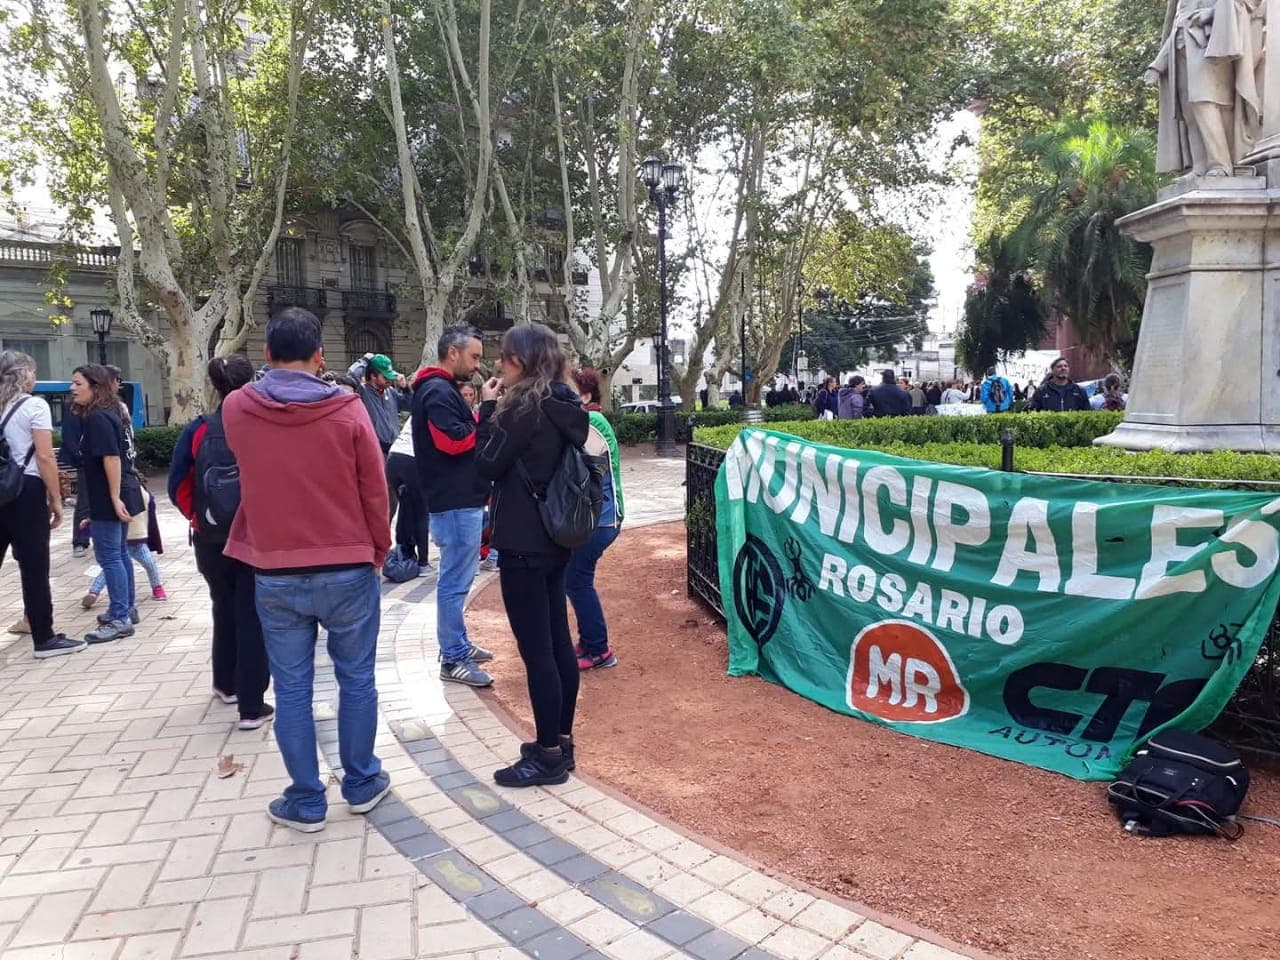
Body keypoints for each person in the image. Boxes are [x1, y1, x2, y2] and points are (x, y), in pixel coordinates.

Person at [222, 307, 392, 832]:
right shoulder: (348, 410)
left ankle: (307, 798)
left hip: (274, 569)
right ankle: (361, 782)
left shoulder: (237, 408)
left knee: (292, 688)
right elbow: (374, 488)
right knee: (355, 677)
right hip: (347, 565)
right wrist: (379, 549)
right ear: (320, 357)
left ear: (267, 355)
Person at [475, 324, 588, 787]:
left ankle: (546, 757)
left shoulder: (523, 407)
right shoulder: (567, 402)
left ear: (519, 362)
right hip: (557, 537)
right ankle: (560, 742)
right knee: (558, 642)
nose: (500, 366)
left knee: (537, 650)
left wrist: (485, 408)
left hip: (523, 539)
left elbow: (485, 463)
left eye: (504, 358)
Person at [169, 354, 271, 728]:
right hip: (255, 537)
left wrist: (199, 519)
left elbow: (177, 484)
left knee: (222, 606)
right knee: (251, 615)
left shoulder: (198, 429)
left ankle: (224, 684)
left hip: (209, 538)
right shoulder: (264, 426)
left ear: (214, 386)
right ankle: (251, 706)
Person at [412, 323, 494, 687]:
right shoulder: (436, 392)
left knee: (457, 580)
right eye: (474, 356)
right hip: (455, 501)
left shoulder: (440, 390)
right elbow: (453, 442)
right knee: (454, 583)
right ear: (453, 353)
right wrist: (487, 412)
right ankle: (453, 657)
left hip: (458, 500)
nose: (478, 365)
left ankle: (457, 645)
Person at [0, 351, 83, 658]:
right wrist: (57, 499)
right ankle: (44, 638)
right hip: (26, 490)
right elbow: (46, 456)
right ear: (24, 376)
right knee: (34, 567)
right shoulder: (34, 405)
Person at [72, 364, 145, 644]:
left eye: (78, 383)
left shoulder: (98, 418)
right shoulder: (108, 414)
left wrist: (113, 498)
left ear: (95, 386)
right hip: (115, 493)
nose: (73, 389)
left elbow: (111, 459)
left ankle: (120, 617)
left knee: (110, 556)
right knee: (119, 554)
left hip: (109, 495)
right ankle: (125, 609)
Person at [566, 368, 624, 671]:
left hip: (600, 520)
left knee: (576, 581)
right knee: (575, 580)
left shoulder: (592, 421)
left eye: (569, 389)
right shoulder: (583, 420)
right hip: (594, 519)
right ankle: (590, 641)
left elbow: (582, 471)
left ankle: (599, 648)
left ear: (585, 396)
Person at [82, 487, 166, 605]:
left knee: (148, 563)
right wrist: (90, 520)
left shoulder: (138, 492)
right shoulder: (117, 493)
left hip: (137, 540)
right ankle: (93, 592)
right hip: (124, 539)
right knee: (113, 566)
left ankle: (157, 587)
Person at [385, 415, 432, 575]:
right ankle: (423, 563)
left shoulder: (418, 408)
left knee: (406, 508)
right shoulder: (439, 408)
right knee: (421, 512)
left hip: (394, 457)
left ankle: (404, 554)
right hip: (412, 459)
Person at [1026, 357, 1092, 412]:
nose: (1063, 368)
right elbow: (1033, 412)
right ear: (1052, 370)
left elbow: (1087, 412)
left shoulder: (1079, 390)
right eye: (1059, 366)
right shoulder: (1041, 391)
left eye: (1066, 366)